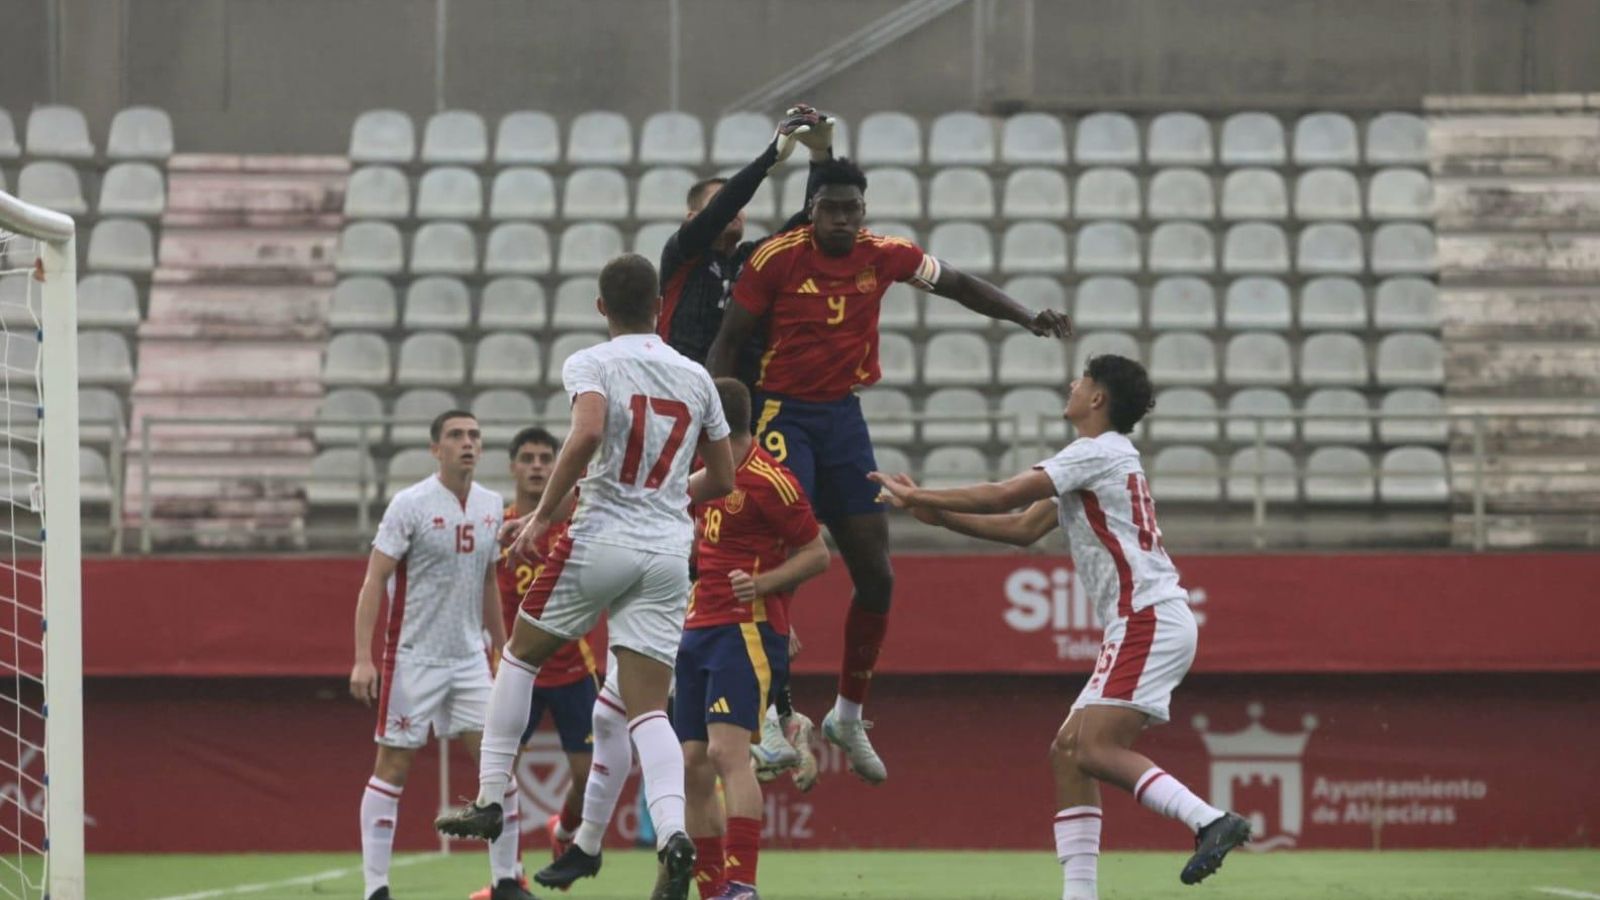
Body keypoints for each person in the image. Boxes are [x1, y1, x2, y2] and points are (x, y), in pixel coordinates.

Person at [705, 157, 1073, 784]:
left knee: (876, 574)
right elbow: (726, 344)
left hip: (843, 420)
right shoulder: (775, 260)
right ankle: (771, 713)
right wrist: (718, 431)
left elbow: (957, 283)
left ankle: (847, 715)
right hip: (779, 414)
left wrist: (1023, 316)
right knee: (781, 560)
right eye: (832, 209)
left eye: (854, 210)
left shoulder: (886, 254)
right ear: (812, 208)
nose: (845, 220)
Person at [868, 354, 1251, 899]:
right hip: (1141, 620)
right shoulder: (1104, 460)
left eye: (1082, 380)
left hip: (1146, 616)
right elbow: (1023, 528)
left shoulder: (1094, 453)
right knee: (1068, 752)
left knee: (1093, 748)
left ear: (1097, 398)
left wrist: (919, 494)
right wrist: (939, 515)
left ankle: (1208, 819)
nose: (1072, 385)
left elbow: (1006, 494)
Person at [436, 253, 738, 900]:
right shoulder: (696, 376)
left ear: (602, 308)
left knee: (518, 657)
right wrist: (665, 499)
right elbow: (723, 478)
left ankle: (491, 797)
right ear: (660, 306)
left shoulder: (591, 362)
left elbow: (590, 430)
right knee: (648, 710)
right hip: (665, 554)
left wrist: (542, 517)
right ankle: (674, 834)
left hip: (600, 536)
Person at [350, 411, 518, 900]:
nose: (467, 443)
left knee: (496, 765)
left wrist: (503, 648)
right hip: (413, 657)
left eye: (474, 435)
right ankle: (376, 888)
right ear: (435, 449)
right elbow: (375, 579)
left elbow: (489, 581)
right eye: (456, 436)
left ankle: (506, 881)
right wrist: (363, 657)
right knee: (393, 767)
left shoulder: (492, 506)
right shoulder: (410, 504)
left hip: (469, 657)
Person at [676, 378, 830, 900]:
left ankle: (742, 884)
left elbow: (817, 553)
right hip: (697, 626)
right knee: (692, 764)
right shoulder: (704, 479)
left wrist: (764, 585)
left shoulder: (771, 479)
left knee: (727, 754)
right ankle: (712, 890)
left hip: (743, 629)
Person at [468, 426, 606, 900]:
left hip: (573, 666)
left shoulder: (575, 524)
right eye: (527, 458)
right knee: (500, 775)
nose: (537, 466)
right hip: (516, 670)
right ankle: (507, 877)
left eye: (546, 458)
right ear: (512, 467)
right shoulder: (496, 528)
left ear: (557, 466)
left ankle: (564, 830)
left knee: (590, 778)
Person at [656, 104, 831, 389]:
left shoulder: (756, 258)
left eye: (740, 205)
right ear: (691, 218)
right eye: (724, 201)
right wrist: (770, 157)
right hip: (679, 393)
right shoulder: (681, 255)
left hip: (744, 401)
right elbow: (719, 213)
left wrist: (821, 155)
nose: (736, 210)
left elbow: (810, 225)